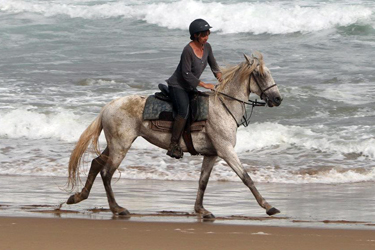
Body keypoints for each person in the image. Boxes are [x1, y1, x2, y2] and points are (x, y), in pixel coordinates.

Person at [166, 18, 222, 159]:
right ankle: (173, 144)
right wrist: (204, 84)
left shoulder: (207, 47)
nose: (206, 37)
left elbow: (214, 66)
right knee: (183, 111)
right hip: (178, 86)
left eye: (208, 34)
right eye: (204, 35)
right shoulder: (187, 50)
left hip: (190, 86)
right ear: (196, 35)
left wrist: (221, 79)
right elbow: (186, 74)